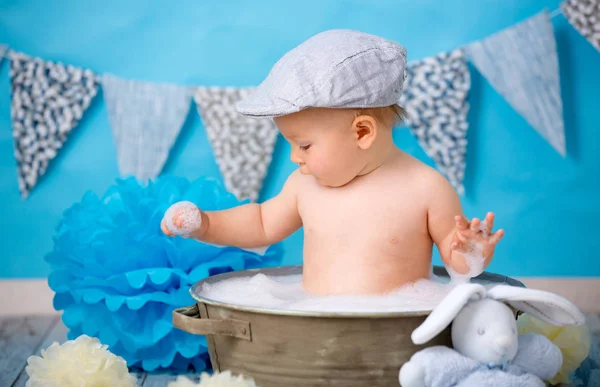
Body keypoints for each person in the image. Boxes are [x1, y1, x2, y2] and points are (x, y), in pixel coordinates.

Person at [161, 29, 504, 295]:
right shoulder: (304, 185)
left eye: (305, 145)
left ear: (362, 132)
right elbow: (261, 223)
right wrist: (204, 223)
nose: (295, 158)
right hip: (316, 321)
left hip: (398, 328)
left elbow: (456, 260)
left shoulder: (426, 188)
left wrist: (471, 253)